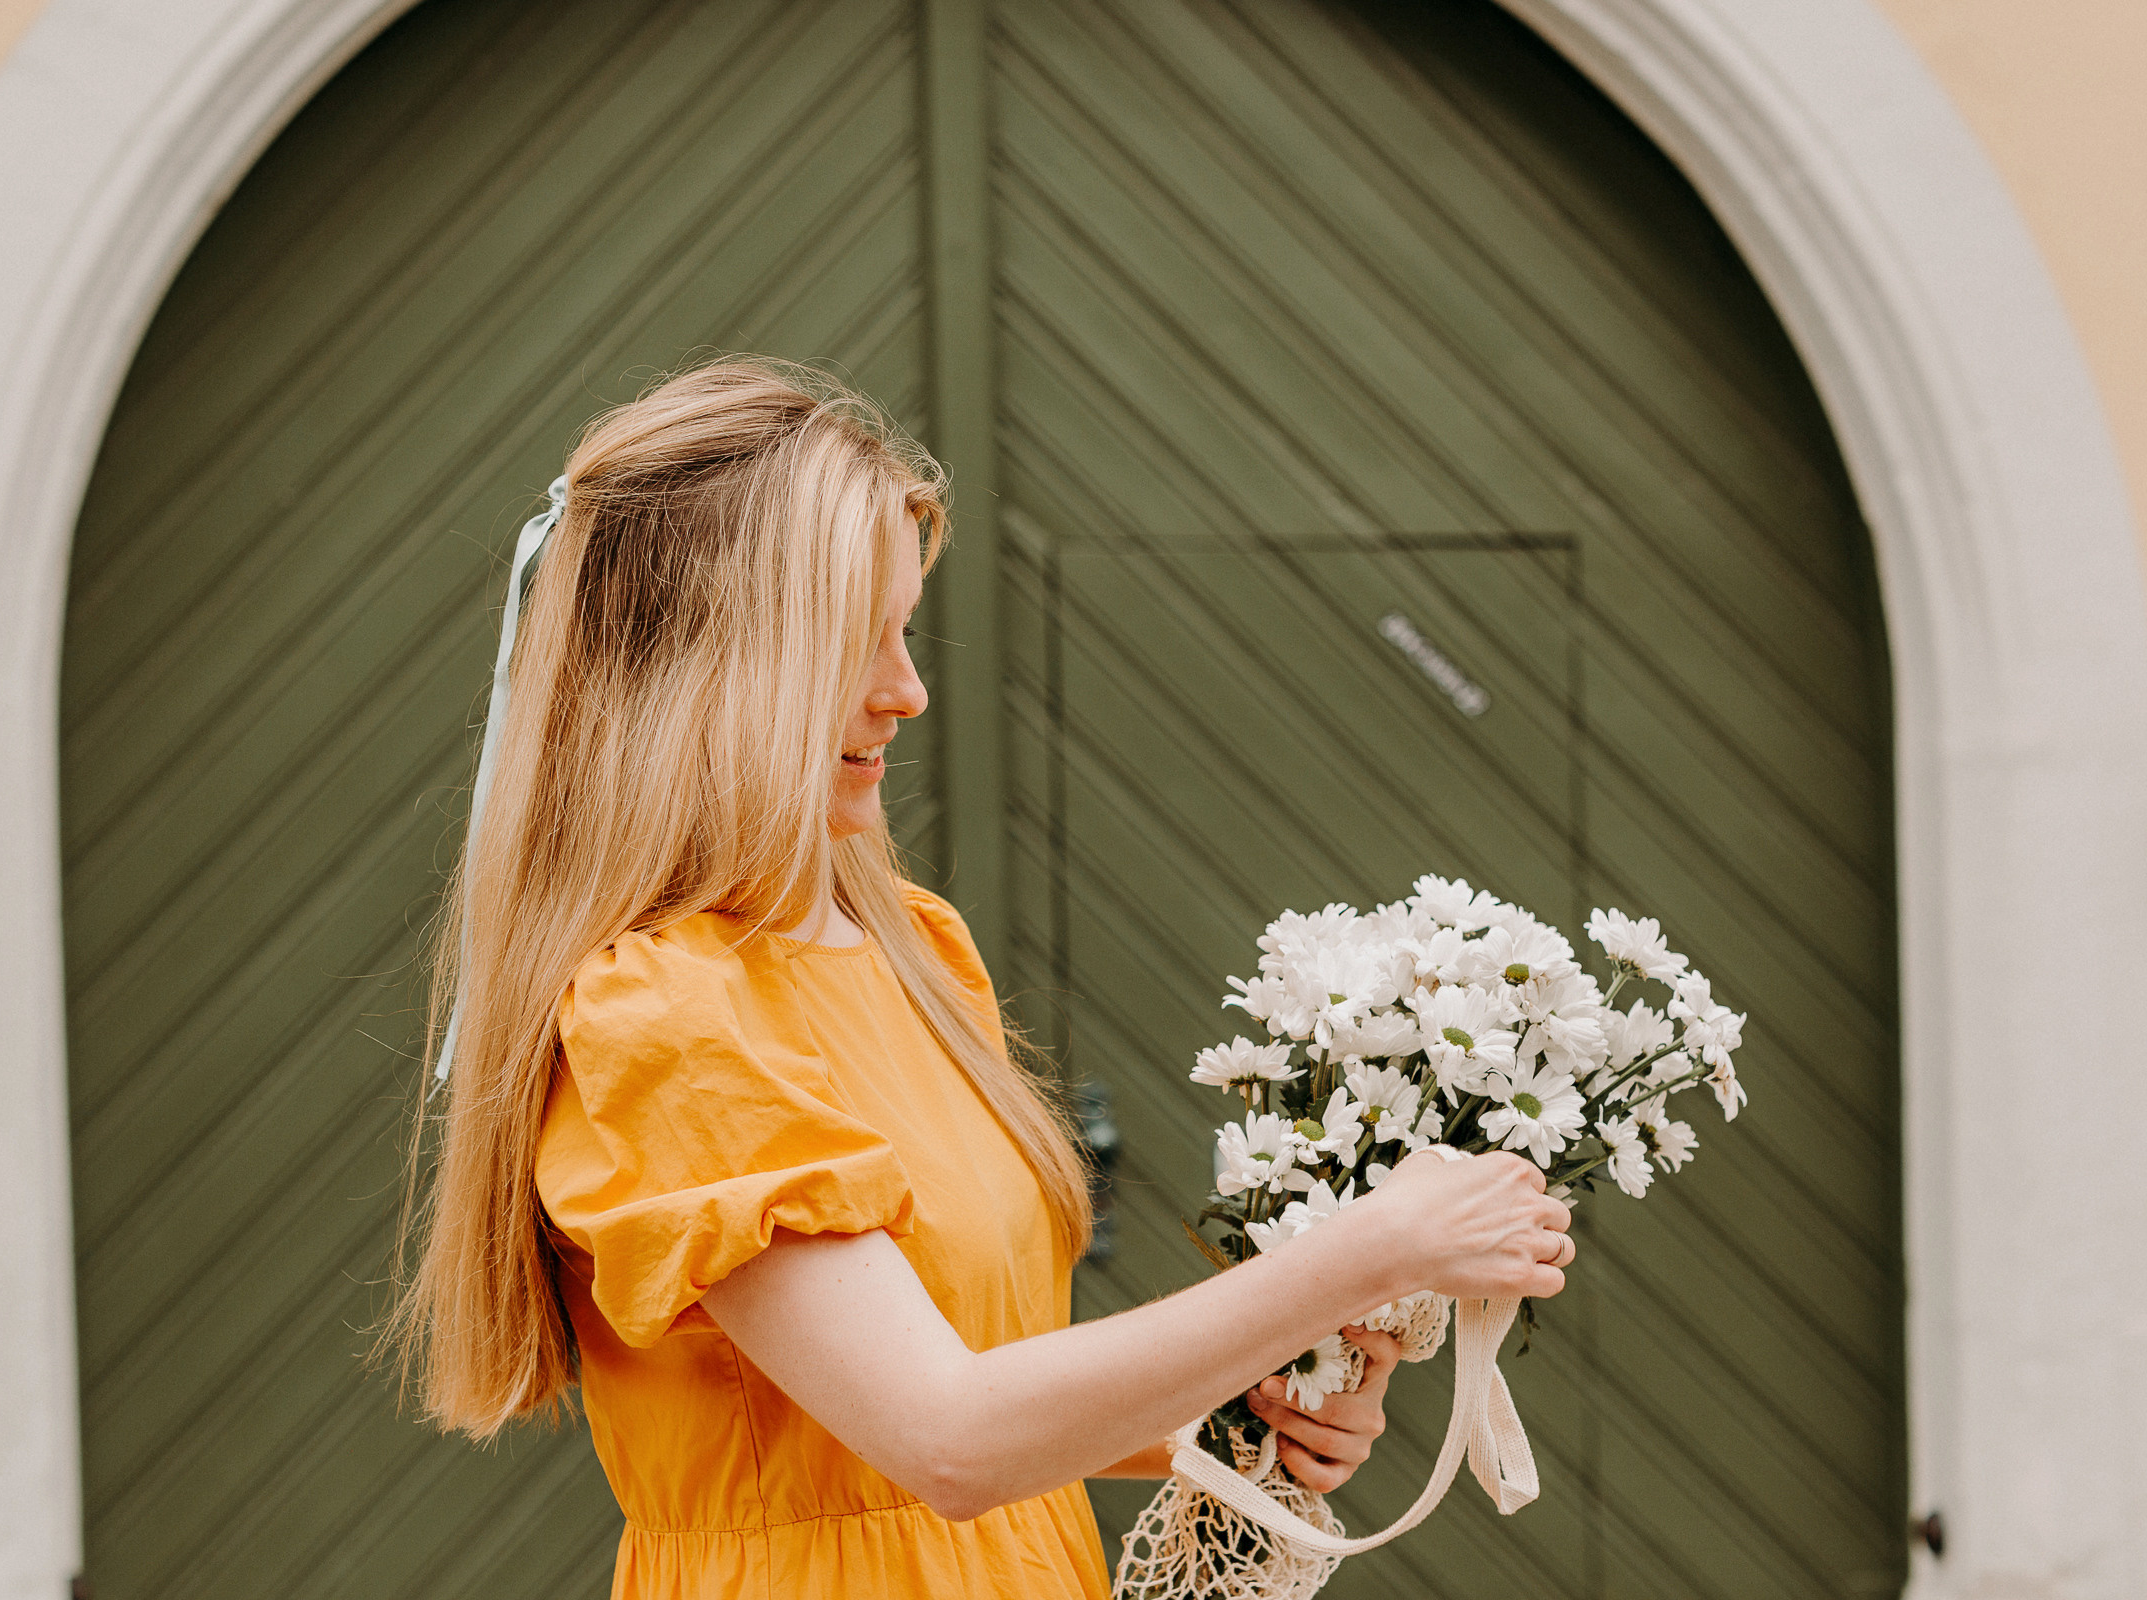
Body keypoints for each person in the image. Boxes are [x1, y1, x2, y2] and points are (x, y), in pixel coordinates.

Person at [388, 359, 1575, 1599]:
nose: (907, 690)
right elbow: (948, 1437)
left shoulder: (912, 942)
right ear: (707, 676)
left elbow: (977, 1377)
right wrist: (1370, 1250)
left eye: (903, 629)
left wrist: (1234, 1415)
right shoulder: (665, 1016)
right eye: (856, 647)